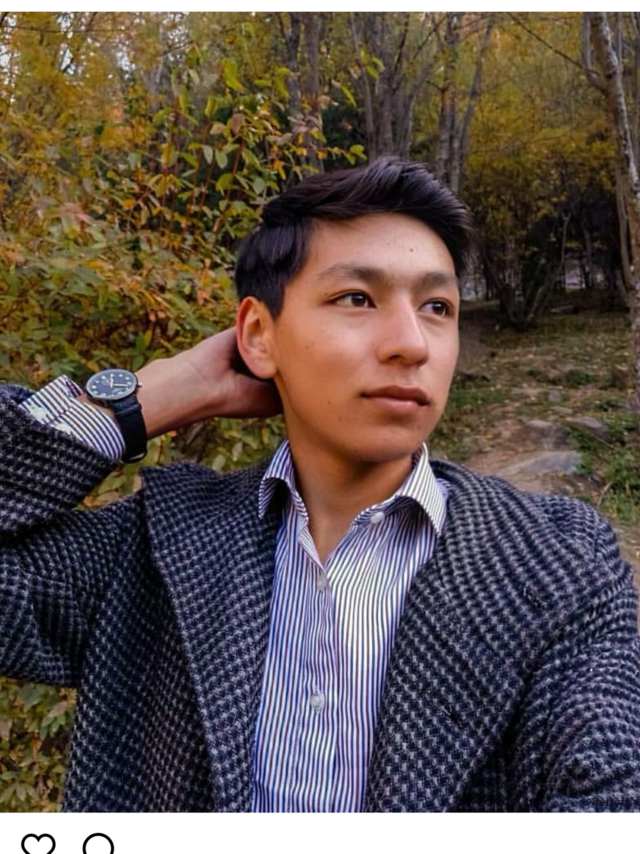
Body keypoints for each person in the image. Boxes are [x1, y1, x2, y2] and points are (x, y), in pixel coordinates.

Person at [1, 157, 639, 812]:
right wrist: (149, 398)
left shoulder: (562, 563)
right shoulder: (150, 551)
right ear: (257, 334)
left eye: (437, 307)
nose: (411, 344)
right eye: (357, 298)